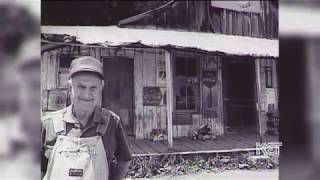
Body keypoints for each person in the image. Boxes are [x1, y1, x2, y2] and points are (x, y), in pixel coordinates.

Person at [41, 56, 132, 180]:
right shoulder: (49, 124)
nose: (86, 95)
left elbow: (124, 159)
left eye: (93, 88)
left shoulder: (112, 123)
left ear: (101, 88)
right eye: (81, 87)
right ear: (70, 87)